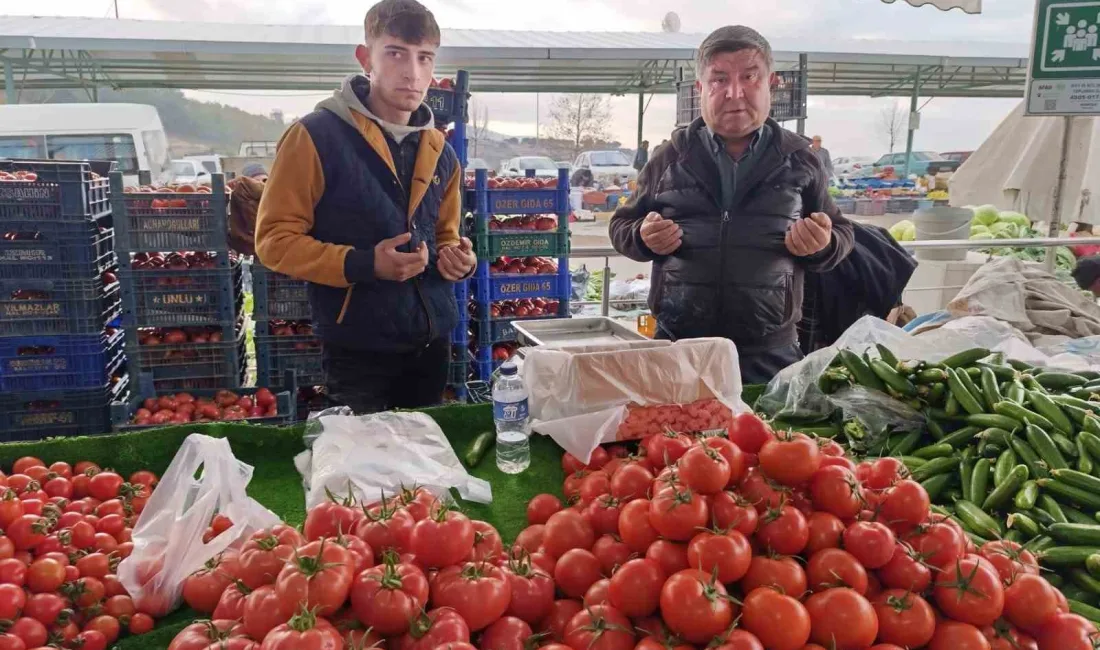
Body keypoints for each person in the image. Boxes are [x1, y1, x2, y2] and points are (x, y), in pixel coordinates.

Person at [255, 0, 476, 414]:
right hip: (357, 347)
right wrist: (365, 264)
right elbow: (274, 241)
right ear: (365, 58)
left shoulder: (440, 151)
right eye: (395, 53)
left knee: (420, 462)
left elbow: (446, 235)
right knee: (360, 467)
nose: (412, 72)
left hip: (432, 338)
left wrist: (458, 260)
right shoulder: (315, 136)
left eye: (424, 58)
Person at [609, 25, 854, 384]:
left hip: (769, 353)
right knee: (674, 439)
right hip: (680, 347)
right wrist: (643, 237)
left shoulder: (802, 159)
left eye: (749, 78)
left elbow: (842, 232)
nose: (734, 93)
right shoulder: (669, 157)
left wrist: (824, 243)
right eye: (719, 80)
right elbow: (621, 226)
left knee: (768, 439)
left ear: (770, 83)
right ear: (701, 89)